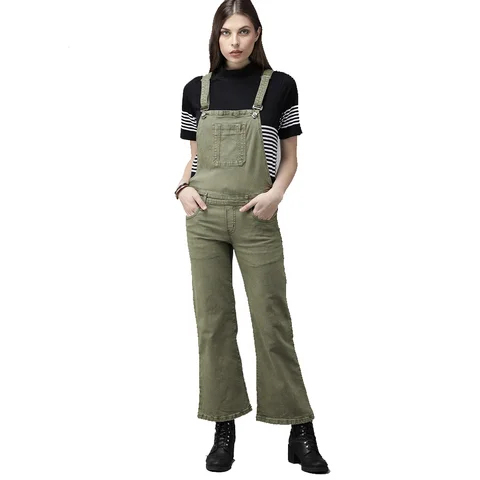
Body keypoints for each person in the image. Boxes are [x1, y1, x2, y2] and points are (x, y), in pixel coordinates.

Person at [175, 0, 330, 474]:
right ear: (216, 37)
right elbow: (194, 158)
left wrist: (276, 195)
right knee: (213, 323)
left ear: (257, 33)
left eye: (243, 31)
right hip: (203, 218)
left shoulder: (280, 85)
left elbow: (291, 157)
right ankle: (223, 427)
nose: (235, 41)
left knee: (271, 320)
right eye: (226, 33)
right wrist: (181, 189)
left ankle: (299, 430)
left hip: (256, 216)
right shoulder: (196, 90)